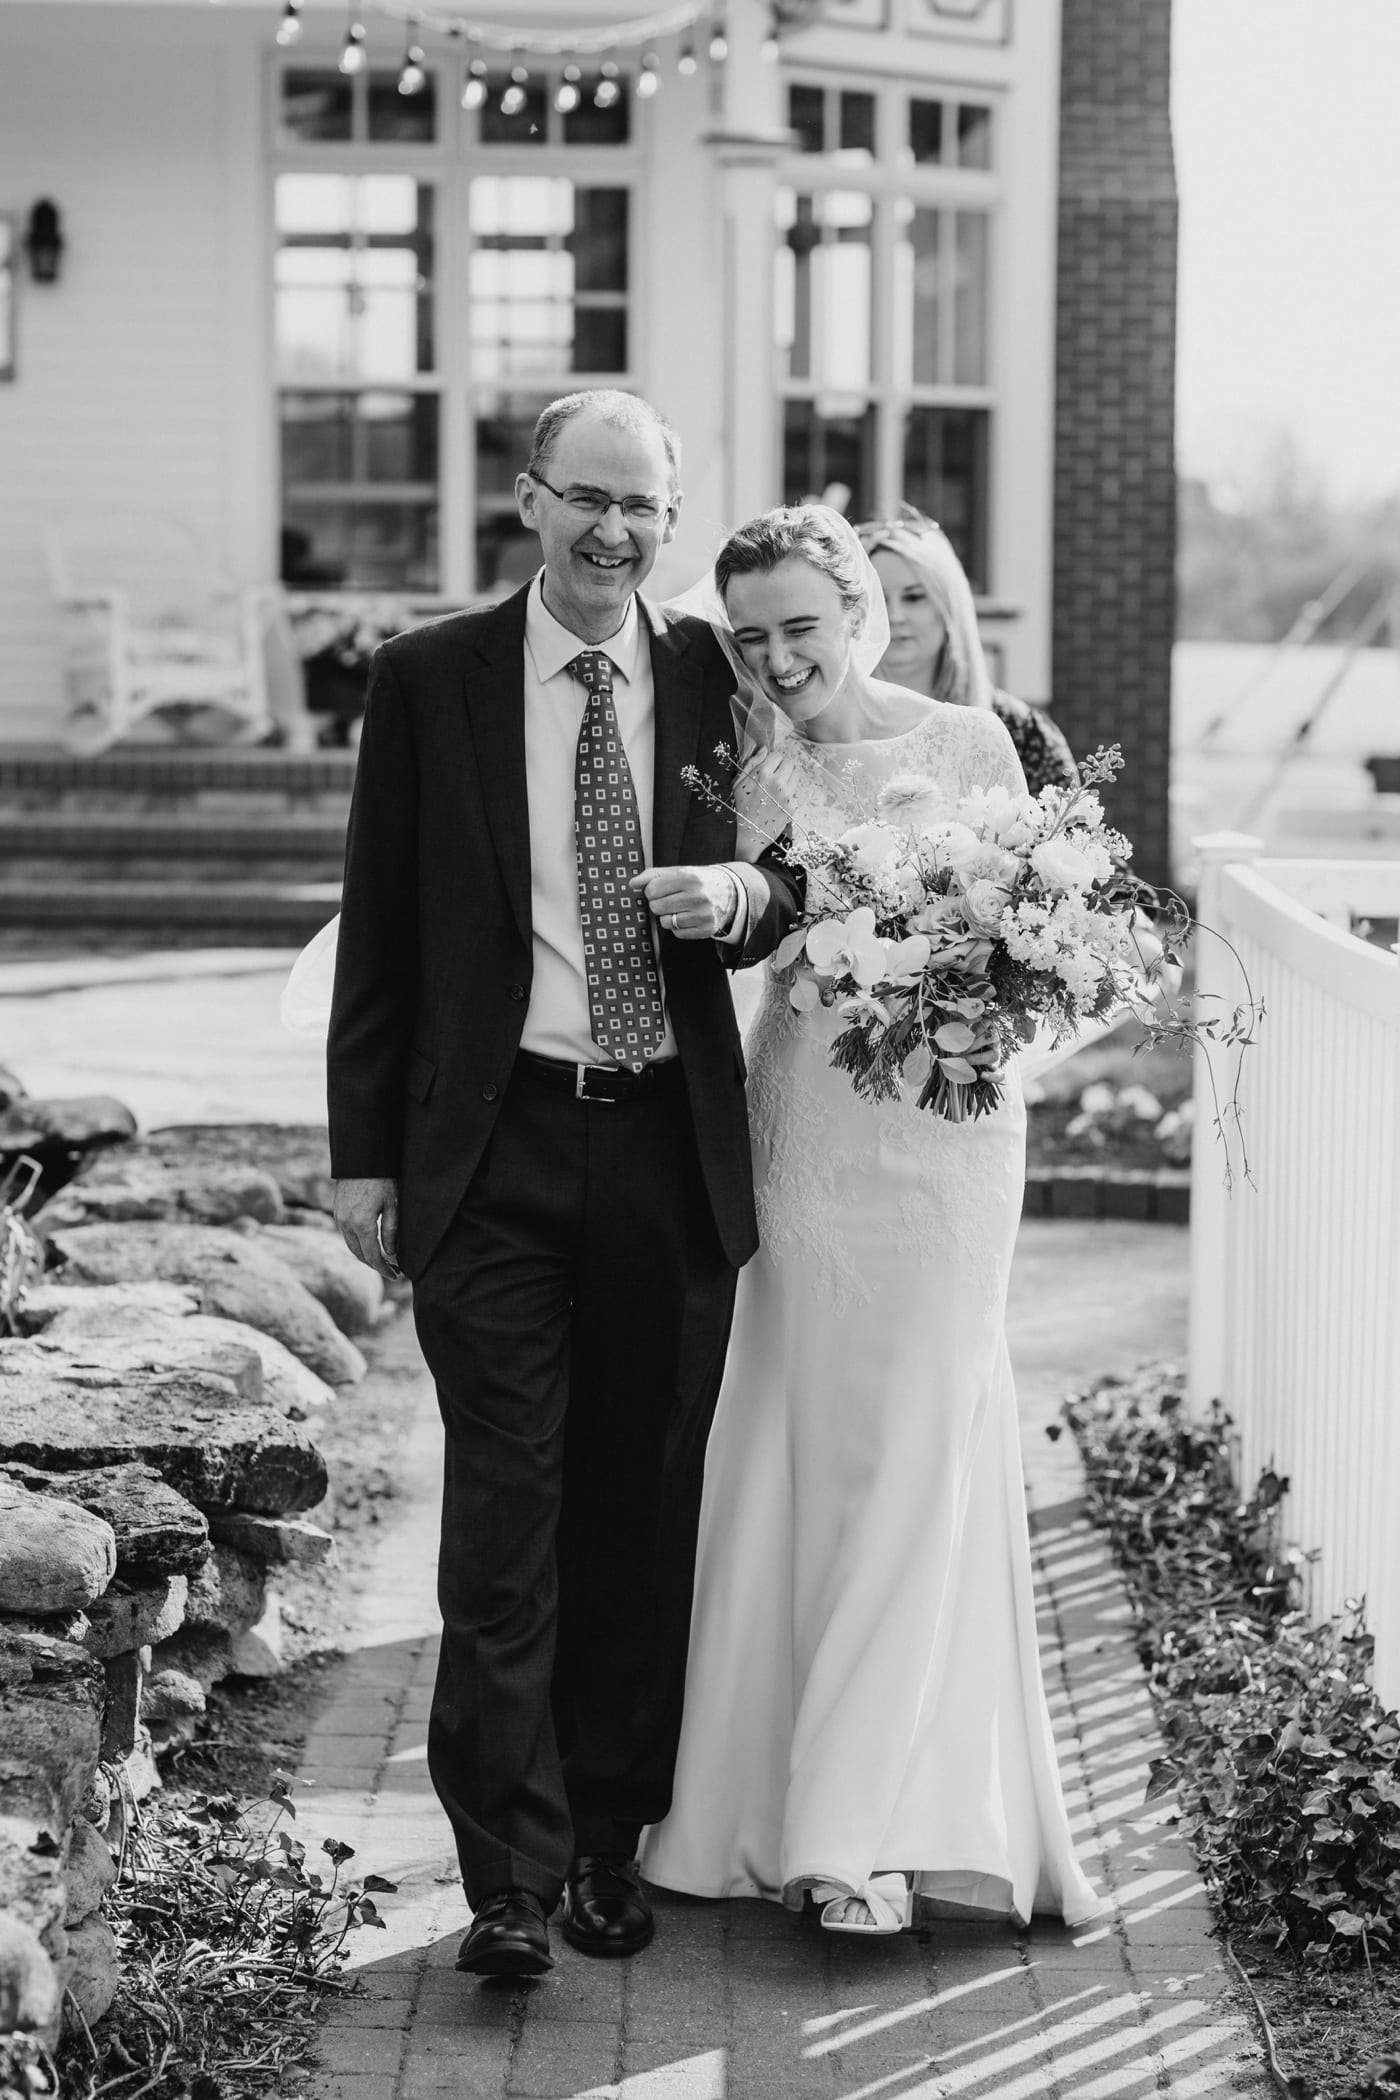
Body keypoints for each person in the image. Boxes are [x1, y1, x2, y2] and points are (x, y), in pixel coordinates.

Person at [327, 390, 802, 1980]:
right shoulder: (427, 682)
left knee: (635, 1515)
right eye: (588, 497)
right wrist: (362, 1162)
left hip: (671, 1149)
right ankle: (508, 1883)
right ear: (528, 501)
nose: (615, 530)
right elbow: (379, 936)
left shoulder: (714, 679)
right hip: (497, 1152)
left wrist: (745, 899)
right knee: (504, 1522)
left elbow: (809, 865)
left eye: (644, 508)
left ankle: (610, 1845)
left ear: (670, 524)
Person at [640, 506, 1102, 1935]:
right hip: (808, 1129)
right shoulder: (744, 757)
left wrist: (983, 1002)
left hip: (954, 1142)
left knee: (917, 1447)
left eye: (804, 626)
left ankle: (870, 1830)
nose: (781, 658)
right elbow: (757, 912)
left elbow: (1063, 944)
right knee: (790, 1436)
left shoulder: (973, 742)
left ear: (864, 614)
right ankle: (777, 1812)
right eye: (755, 633)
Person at [858, 509, 1080, 799]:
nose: (895, 616)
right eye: (879, 600)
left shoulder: (1023, 733)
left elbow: (1071, 835)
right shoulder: (837, 730)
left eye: (914, 597)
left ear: (949, 608)